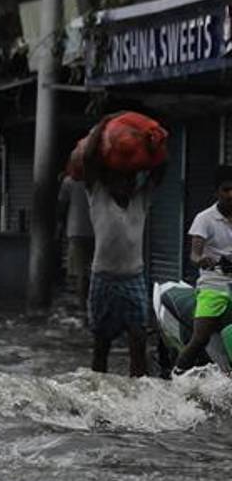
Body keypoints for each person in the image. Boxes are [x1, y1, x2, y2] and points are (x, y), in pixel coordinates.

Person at [82, 125, 161, 377]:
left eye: (129, 179)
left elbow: (161, 169)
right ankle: (99, 391)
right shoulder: (97, 195)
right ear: (109, 179)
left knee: (138, 338)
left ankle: (136, 391)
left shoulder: (141, 198)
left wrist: (155, 138)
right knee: (100, 343)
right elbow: (87, 160)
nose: (124, 184)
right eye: (119, 178)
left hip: (133, 277)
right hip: (103, 278)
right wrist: (106, 123)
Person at [172, 166, 232, 373]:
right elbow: (194, 254)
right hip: (214, 285)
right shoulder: (204, 218)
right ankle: (177, 377)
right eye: (226, 190)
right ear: (216, 192)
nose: (231, 194)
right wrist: (202, 260)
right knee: (200, 337)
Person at [57, 173, 94, 306]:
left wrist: (59, 225)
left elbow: (62, 204)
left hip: (75, 230)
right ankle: (88, 301)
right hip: (95, 229)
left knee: (79, 271)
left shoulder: (69, 181)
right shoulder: (96, 180)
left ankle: (81, 303)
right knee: (92, 269)